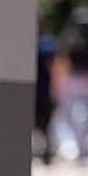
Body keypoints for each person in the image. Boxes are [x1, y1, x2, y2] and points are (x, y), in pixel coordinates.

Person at [55, 6, 88, 163]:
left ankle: (74, 145)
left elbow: (63, 63)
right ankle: (82, 148)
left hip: (72, 82)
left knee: (68, 117)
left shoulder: (69, 39)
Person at [35, 17, 59, 165]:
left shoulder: (46, 44)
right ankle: (46, 149)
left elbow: (55, 68)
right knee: (44, 124)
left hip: (43, 90)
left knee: (45, 123)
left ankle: (47, 150)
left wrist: (55, 88)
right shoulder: (47, 44)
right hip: (43, 90)